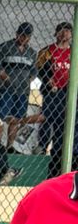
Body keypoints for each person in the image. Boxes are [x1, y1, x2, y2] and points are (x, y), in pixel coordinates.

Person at [35, 22, 72, 179]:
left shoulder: (74, 51)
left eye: (67, 31)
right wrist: (47, 79)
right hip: (52, 91)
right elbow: (39, 68)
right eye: (61, 31)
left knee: (64, 122)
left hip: (68, 92)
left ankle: (59, 149)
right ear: (56, 33)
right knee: (47, 118)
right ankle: (42, 145)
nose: (64, 34)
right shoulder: (48, 51)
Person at [0, 21, 37, 146]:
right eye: (22, 35)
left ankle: (9, 146)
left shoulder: (32, 52)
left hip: (23, 91)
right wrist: (5, 77)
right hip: (7, 89)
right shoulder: (5, 47)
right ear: (16, 34)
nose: (24, 38)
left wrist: (28, 80)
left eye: (27, 36)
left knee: (16, 119)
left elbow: (34, 70)